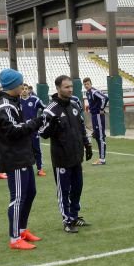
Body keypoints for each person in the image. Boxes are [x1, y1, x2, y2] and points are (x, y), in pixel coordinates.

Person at [0, 69, 46, 250]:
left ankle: (22, 230)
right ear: (13, 85)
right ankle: (14, 238)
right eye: (20, 83)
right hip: (14, 157)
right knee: (18, 198)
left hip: (23, 154)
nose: (23, 86)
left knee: (30, 193)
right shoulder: (4, 105)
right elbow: (13, 130)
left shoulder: (13, 101)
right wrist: (36, 122)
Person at [41, 75, 94, 233]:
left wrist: (87, 145)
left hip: (76, 155)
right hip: (61, 157)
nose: (70, 89)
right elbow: (42, 133)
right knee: (64, 190)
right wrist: (51, 126)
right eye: (66, 87)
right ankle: (67, 220)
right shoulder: (50, 109)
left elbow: (81, 127)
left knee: (77, 187)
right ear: (58, 88)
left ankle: (75, 216)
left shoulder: (74, 105)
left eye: (71, 86)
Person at [21, 83, 47, 176]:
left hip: (34, 129)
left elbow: (45, 109)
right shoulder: (17, 101)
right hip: (22, 130)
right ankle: (25, 168)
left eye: (26, 88)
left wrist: (41, 121)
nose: (24, 90)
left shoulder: (35, 100)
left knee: (37, 149)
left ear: (29, 90)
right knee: (23, 149)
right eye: (22, 89)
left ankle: (40, 169)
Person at [83, 78, 108, 165]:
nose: (86, 85)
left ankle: (102, 159)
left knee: (100, 137)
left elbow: (105, 98)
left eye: (88, 84)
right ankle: (101, 158)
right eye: (85, 84)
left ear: (91, 83)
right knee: (97, 136)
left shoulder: (94, 91)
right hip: (94, 116)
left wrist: (101, 109)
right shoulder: (88, 92)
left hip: (98, 116)